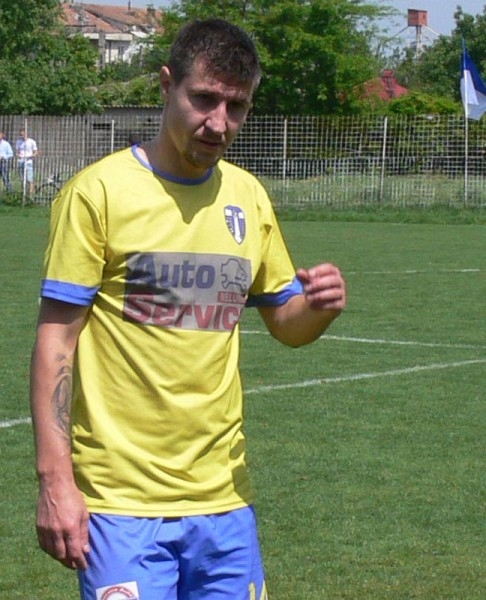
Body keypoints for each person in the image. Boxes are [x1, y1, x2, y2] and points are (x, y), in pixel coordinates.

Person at [30, 18, 346, 600]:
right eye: (204, 99)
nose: (218, 123)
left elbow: (286, 322)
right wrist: (55, 480)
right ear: (166, 85)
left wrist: (319, 308)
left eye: (236, 106)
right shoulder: (98, 193)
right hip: (120, 505)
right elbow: (56, 343)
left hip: (224, 499)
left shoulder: (248, 197)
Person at [16, 128, 38, 196]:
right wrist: (18, 155)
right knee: (22, 179)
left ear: (26, 133)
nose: (22, 136)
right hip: (21, 161)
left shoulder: (32, 141)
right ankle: (24, 193)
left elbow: (36, 152)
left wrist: (30, 156)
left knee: (29, 178)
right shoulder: (18, 142)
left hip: (28, 162)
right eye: (21, 134)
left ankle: (31, 194)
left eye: (23, 134)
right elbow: (17, 151)